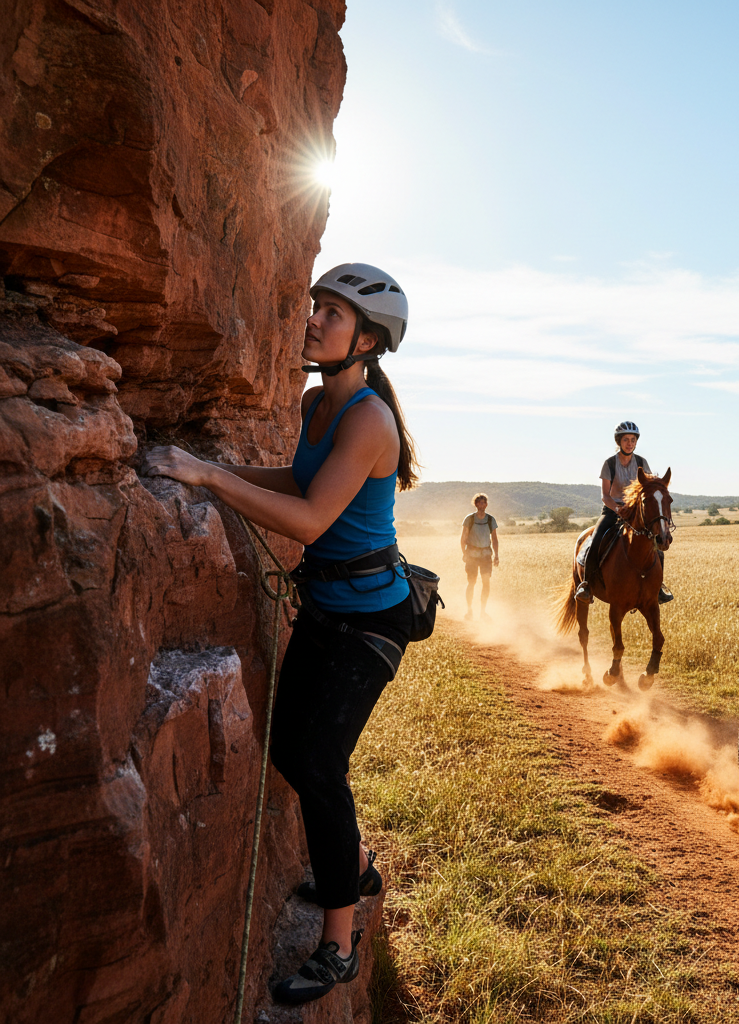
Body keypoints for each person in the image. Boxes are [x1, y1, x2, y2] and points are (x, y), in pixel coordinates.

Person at [143, 262, 418, 1005]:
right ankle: (354, 864)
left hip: (371, 619)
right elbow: (300, 483)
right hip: (329, 607)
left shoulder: (367, 418)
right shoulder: (314, 403)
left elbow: (307, 522)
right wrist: (217, 467)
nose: (314, 319)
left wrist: (207, 480)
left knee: (319, 764)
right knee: (289, 747)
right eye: (316, 307)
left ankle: (339, 943)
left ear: (367, 340)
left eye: (332, 313)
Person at [574, 420, 672, 604]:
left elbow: (649, 488)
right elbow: (605, 495)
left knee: (656, 546)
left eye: (633, 440)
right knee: (596, 540)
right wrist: (619, 509)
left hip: (636, 513)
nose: (630, 443)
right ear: (619, 441)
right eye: (626, 439)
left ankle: (658, 587)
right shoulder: (609, 464)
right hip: (613, 510)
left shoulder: (642, 462)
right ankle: (586, 585)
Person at [461, 492, 499, 620]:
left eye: (484, 502)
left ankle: (483, 611)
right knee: (471, 582)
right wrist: (464, 553)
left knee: (486, 583)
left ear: (486, 505)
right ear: (476, 504)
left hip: (486, 556)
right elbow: (463, 538)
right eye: (480, 502)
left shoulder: (490, 520)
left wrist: (497, 555)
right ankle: (469, 610)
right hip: (471, 555)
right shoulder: (469, 519)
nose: (482, 505)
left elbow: (494, 539)